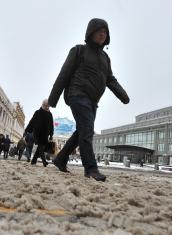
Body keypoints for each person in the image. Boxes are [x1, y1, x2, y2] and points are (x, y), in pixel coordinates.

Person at [48, 18, 130, 181]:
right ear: (91, 32)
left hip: (93, 101)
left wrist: (123, 95)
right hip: (77, 94)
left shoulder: (106, 58)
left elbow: (110, 79)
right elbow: (64, 73)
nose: (102, 34)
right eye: (99, 30)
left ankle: (61, 158)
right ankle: (91, 168)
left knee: (82, 132)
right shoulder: (79, 50)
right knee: (87, 130)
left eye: (105, 32)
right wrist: (53, 99)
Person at [25, 99, 54, 167]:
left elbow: (51, 125)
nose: (47, 107)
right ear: (42, 105)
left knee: (41, 148)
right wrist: (27, 129)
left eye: (48, 106)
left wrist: (51, 134)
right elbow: (32, 121)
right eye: (46, 106)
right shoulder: (37, 112)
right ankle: (44, 161)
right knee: (41, 146)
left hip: (45, 134)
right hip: (37, 133)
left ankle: (33, 161)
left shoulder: (50, 114)